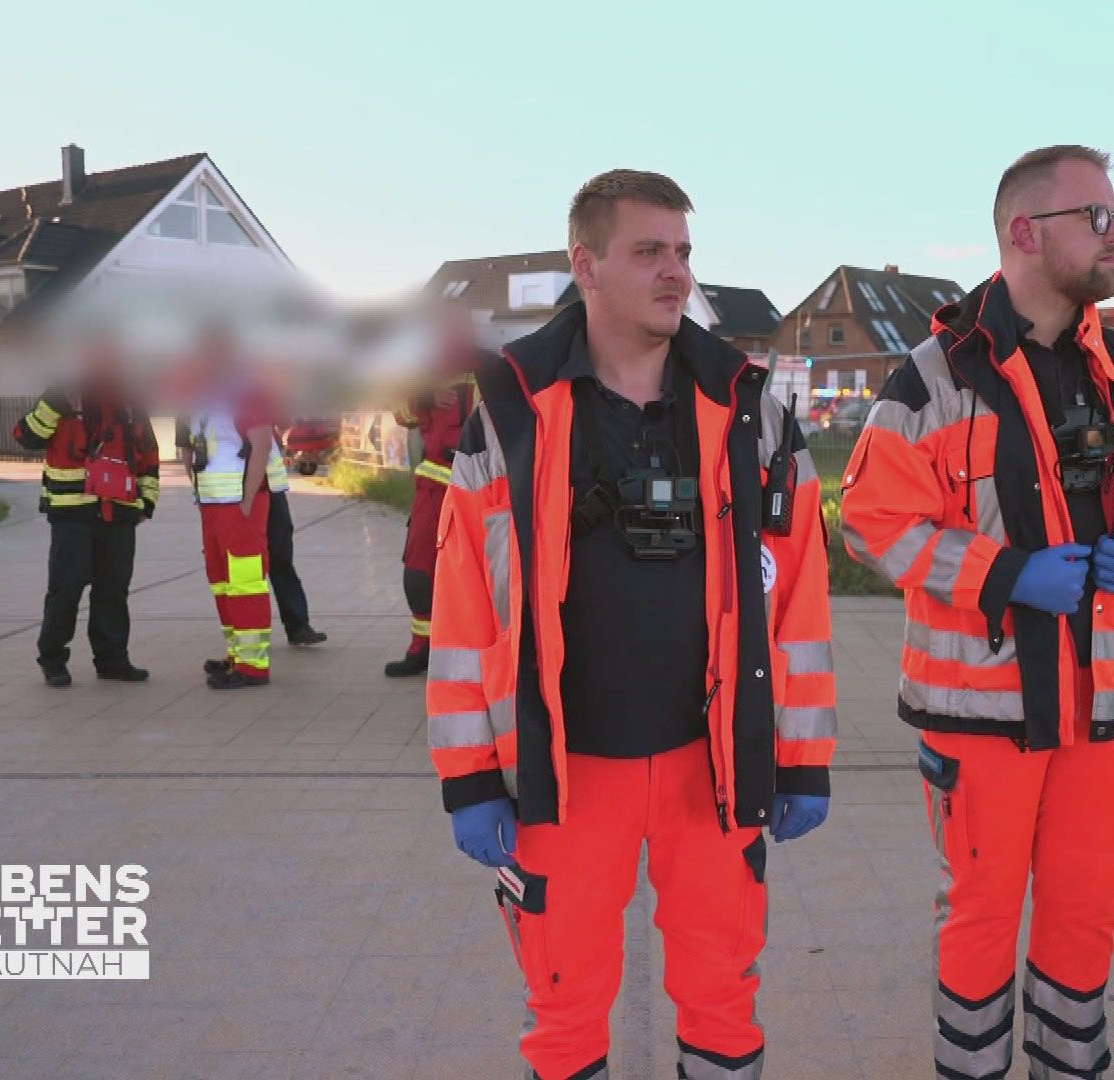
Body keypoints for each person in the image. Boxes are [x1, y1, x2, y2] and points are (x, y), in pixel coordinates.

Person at [427, 170, 838, 1080]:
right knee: (563, 1008)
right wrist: (470, 778)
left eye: (683, 252)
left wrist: (802, 756)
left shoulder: (753, 413)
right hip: (565, 777)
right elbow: (464, 606)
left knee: (724, 997)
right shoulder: (512, 413)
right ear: (586, 265)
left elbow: (800, 598)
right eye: (649, 251)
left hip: (712, 768)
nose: (676, 272)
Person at [838, 145, 1114, 1080]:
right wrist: (1004, 575)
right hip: (984, 718)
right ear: (1024, 232)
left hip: (1112, 716)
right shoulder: (933, 378)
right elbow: (871, 522)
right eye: (1097, 217)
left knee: (1084, 916)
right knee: (980, 915)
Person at [13, 341, 161, 688]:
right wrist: (56, 405)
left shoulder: (130, 400)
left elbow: (148, 454)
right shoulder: (61, 394)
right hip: (72, 513)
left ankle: (112, 661)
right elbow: (26, 437)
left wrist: (146, 503)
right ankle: (53, 660)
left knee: (113, 591)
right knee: (66, 589)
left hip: (119, 513)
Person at [384, 307, 481, 678]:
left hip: (476, 489)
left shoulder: (489, 367)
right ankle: (421, 648)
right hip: (432, 486)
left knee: (472, 575)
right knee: (419, 571)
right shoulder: (426, 369)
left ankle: (470, 652)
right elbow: (399, 411)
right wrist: (426, 396)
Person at [185, 331, 277, 690]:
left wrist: (248, 500)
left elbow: (261, 444)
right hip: (212, 504)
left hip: (238, 506)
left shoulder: (247, 391)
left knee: (245, 585)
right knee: (222, 583)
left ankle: (253, 666)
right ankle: (236, 654)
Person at [262, 428, 329, 649]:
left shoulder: (262, 409)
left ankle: (299, 627)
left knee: (281, 560)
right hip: (238, 497)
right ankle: (248, 632)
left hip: (272, 493)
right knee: (246, 572)